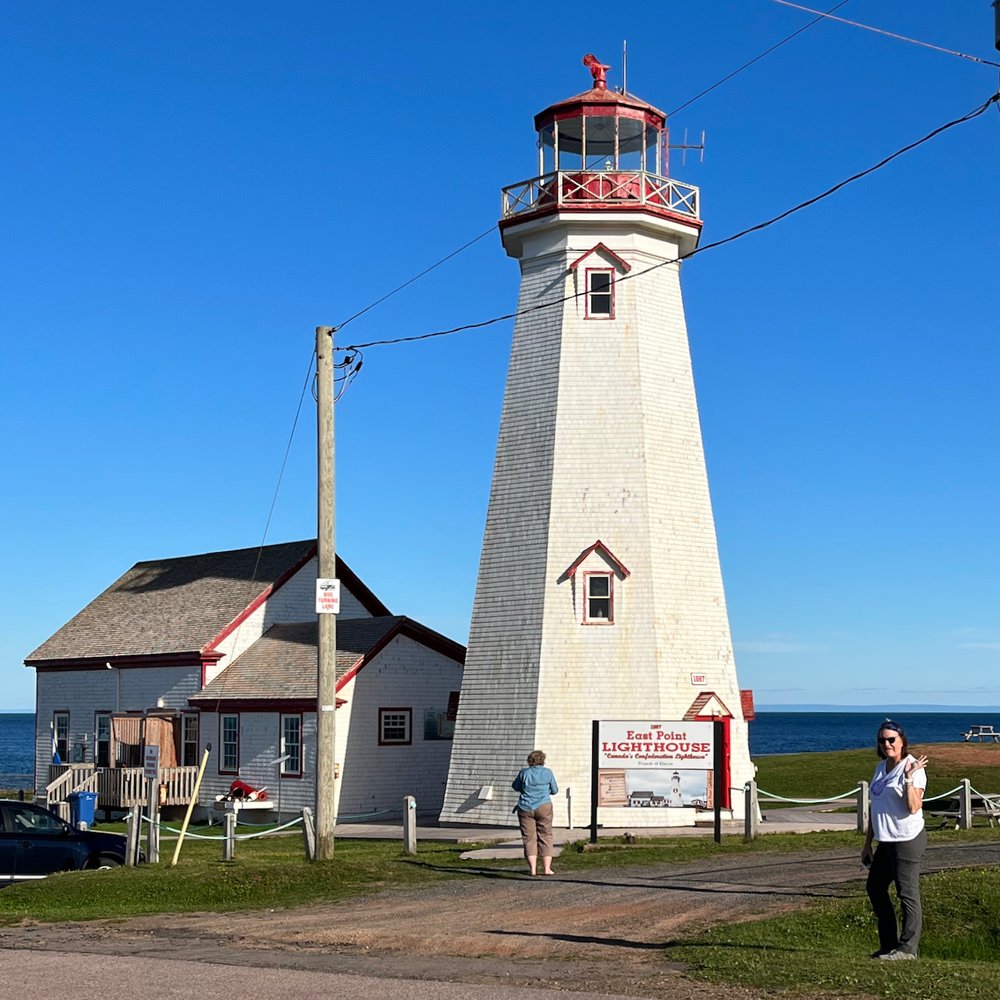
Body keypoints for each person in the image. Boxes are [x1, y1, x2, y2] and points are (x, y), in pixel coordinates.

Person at [862, 719, 928, 960]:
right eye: (882, 740)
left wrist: (909, 778)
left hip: (907, 839)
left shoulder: (913, 767)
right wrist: (868, 843)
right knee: (875, 887)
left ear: (902, 741)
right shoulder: (881, 767)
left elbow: (913, 807)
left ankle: (908, 949)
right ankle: (889, 944)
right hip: (885, 840)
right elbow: (877, 807)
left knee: (907, 893)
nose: (887, 744)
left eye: (891, 739)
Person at [512, 750, 559, 876]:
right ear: (542, 760)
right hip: (544, 805)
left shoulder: (524, 773)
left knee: (529, 838)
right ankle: (547, 868)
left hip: (525, 806)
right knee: (546, 835)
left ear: (530, 761)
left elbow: (515, 786)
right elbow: (555, 790)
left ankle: (533, 869)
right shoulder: (547, 772)